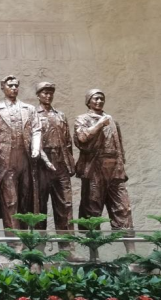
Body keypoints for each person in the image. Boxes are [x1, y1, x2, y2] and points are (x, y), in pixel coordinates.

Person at [74, 89, 135, 253]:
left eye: (102, 98)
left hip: (115, 170)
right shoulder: (82, 119)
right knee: (92, 210)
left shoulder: (112, 120)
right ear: (88, 101)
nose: (99, 101)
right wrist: (100, 124)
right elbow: (82, 139)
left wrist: (121, 167)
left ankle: (132, 253)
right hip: (95, 169)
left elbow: (119, 146)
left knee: (123, 208)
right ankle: (94, 255)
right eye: (96, 98)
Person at [0, 75, 41, 234]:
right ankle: (14, 241)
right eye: (10, 85)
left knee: (25, 200)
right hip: (5, 162)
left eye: (16, 85)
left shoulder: (29, 109)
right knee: (10, 201)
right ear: (3, 87)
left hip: (25, 160)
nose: (14, 88)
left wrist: (36, 147)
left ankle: (24, 238)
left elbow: (37, 129)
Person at [35, 82, 76, 255]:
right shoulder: (33, 114)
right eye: (45, 93)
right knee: (39, 207)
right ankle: (39, 250)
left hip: (60, 163)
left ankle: (67, 249)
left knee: (65, 205)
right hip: (41, 165)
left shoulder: (61, 115)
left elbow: (68, 142)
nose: (48, 96)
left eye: (50, 93)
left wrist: (70, 163)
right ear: (38, 95)